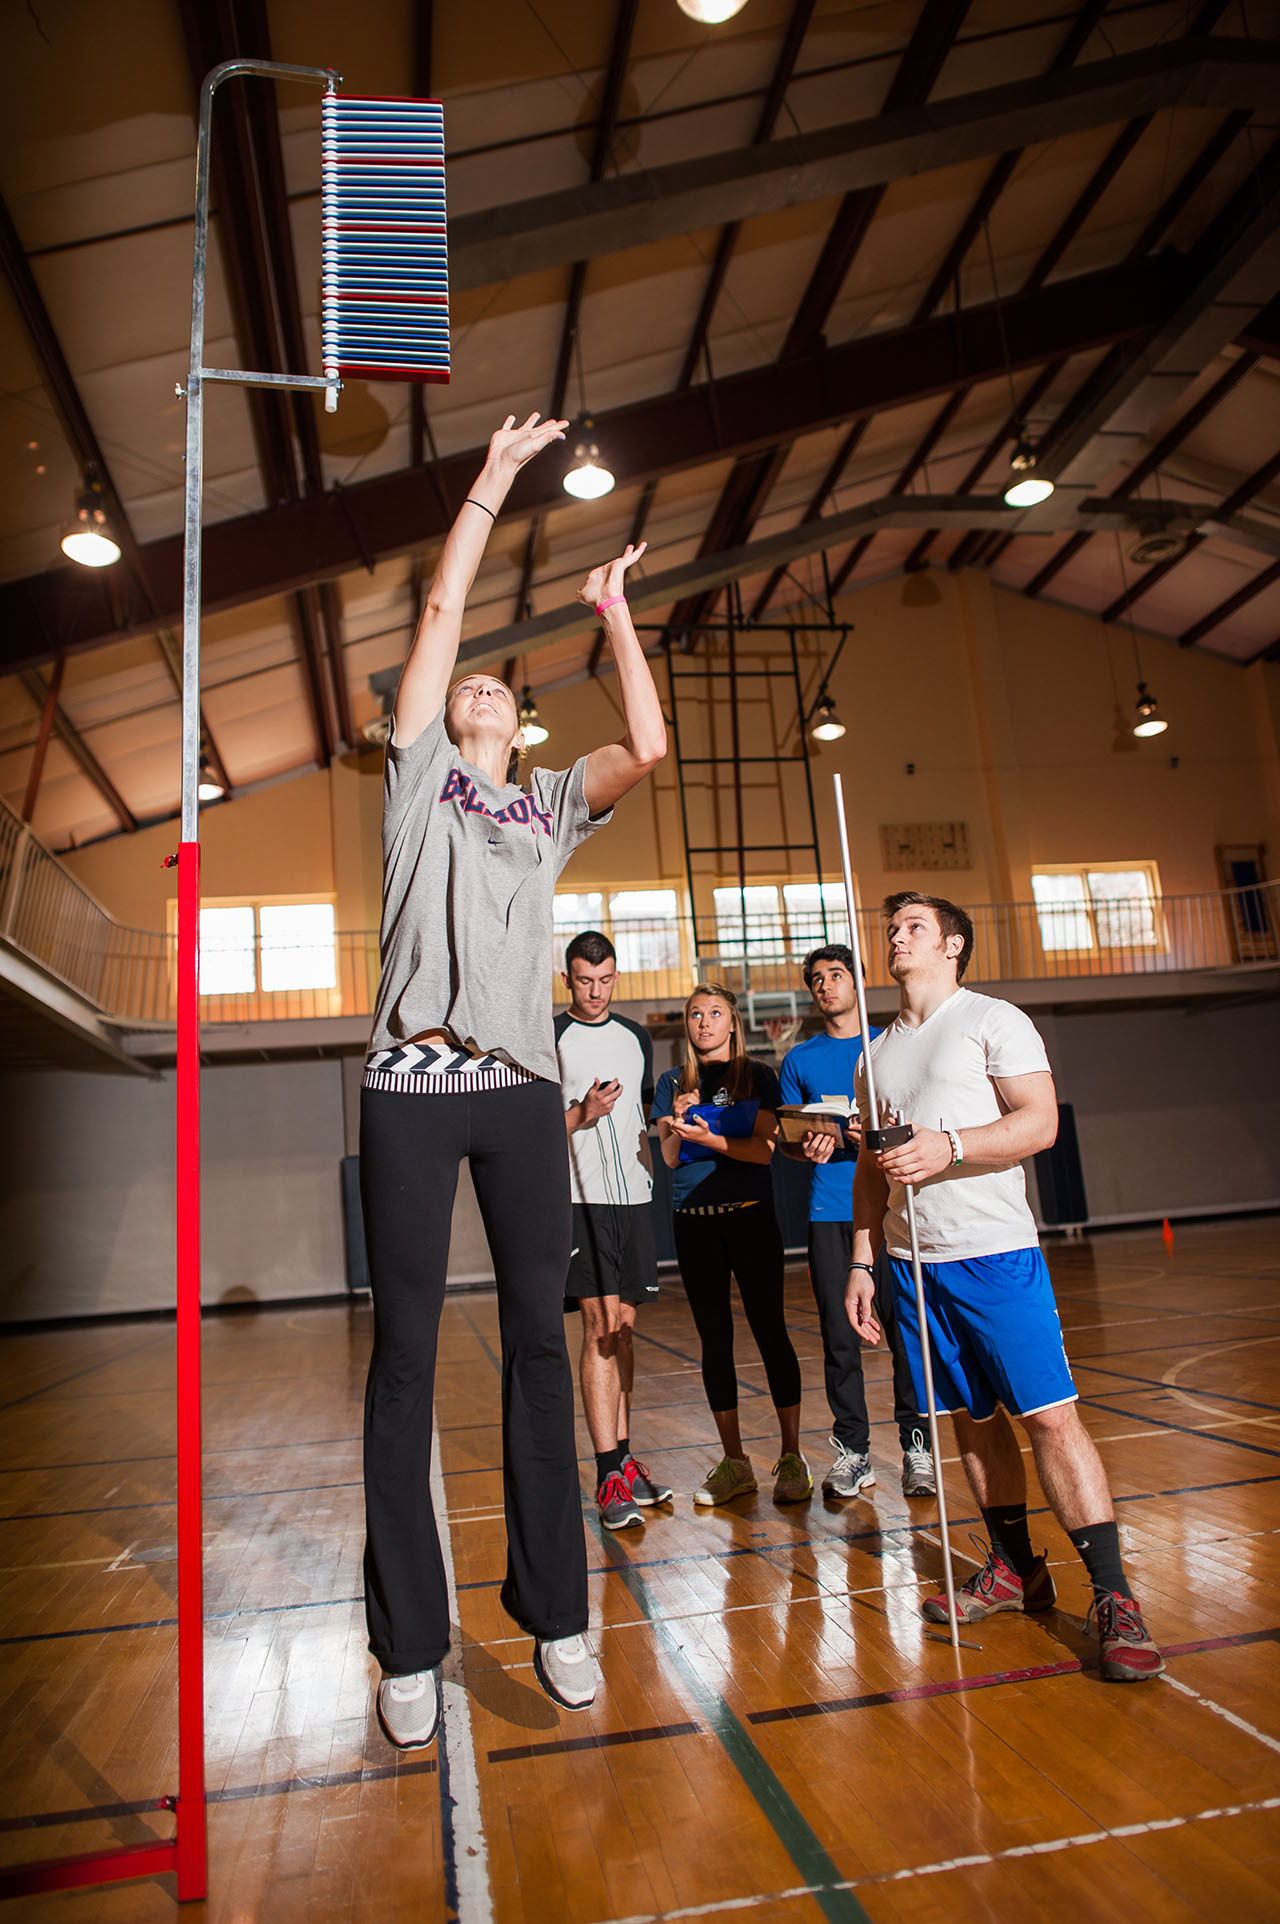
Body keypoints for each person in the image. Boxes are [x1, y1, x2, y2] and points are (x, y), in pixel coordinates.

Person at [360, 412, 667, 1749]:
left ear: (520, 717)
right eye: (463, 682)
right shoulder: (421, 775)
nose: (476, 683)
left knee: (543, 1348)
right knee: (409, 1359)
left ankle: (558, 1616)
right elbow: (439, 607)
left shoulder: (544, 810)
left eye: (495, 684)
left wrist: (617, 615)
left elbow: (646, 751)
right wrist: (491, 480)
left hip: (520, 1096)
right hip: (409, 1094)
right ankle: (407, 1645)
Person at [847, 892, 1163, 1681]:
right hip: (913, 1265)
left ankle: (1116, 1596)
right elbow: (866, 1168)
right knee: (971, 1423)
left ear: (953, 945)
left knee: (1051, 1421)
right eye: (892, 928)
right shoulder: (871, 1054)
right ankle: (1016, 1567)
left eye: (914, 926)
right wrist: (861, 1259)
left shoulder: (993, 1019)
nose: (897, 937)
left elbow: (1039, 1122)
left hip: (995, 1255)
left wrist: (949, 1144)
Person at [780, 944, 935, 1501]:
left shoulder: (891, 1044)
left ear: (860, 981)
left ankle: (918, 1445)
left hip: (891, 1211)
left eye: (837, 975)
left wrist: (860, 1135)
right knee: (839, 1337)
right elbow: (794, 1148)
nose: (826, 986)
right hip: (829, 1213)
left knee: (904, 1332)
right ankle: (854, 1450)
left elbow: (913, 1124)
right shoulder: (799, 1060)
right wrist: (812, 1147)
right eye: (816, 979)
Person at [651, 983, 808, 1506]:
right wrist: (678, 1119)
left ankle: (791, 1456)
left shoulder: (759, 1076)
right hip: (693, 1223)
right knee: (713, 1340)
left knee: (770, 1331)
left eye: (714, 1013)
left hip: (750, 1219)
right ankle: (735, 1462)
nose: (703, 1022)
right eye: (695, 1014)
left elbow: (764, 1152)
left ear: (733, 1021)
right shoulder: (672, 1081)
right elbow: (671, 1157)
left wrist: (711, 1139)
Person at [556, 928, 673, 1530]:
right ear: (567, 979)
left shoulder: (636, 1037)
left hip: (634, 1199)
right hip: (581, 1202)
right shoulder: (549, 1036)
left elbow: (643, 1121)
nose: (595, 991)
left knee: (624, 1328)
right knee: (599, 1326)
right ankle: (606, 1473)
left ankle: (625, 1459)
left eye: (604, 981)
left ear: (616, 979)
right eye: (584, 981)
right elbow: (531, 1131)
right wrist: (583, 1112)